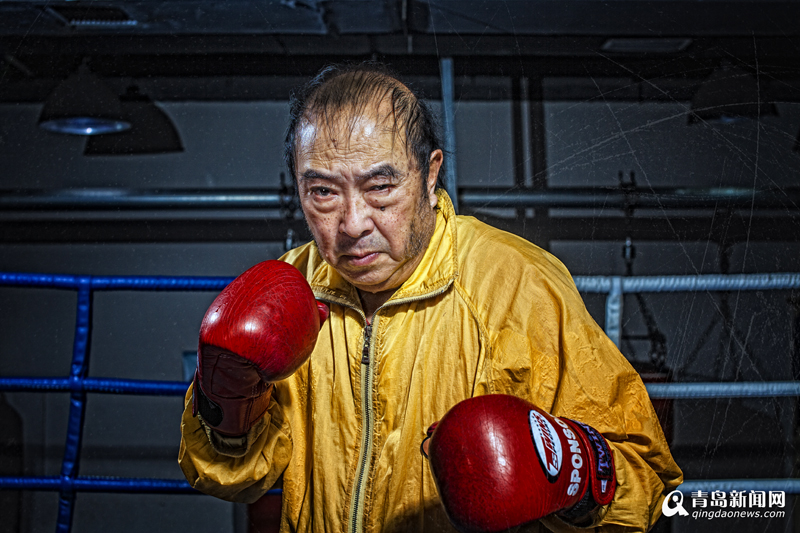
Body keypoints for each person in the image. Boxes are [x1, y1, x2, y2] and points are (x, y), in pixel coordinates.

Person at [179, 63, 683, 532]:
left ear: (429, 174)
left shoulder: (515, 284)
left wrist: (574, 477)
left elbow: (644, 476)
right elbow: (234, 477)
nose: (353, 224)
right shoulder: (288, 287)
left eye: (380, 186)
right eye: (323, 193)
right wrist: (226, 396)